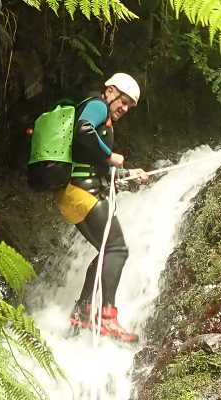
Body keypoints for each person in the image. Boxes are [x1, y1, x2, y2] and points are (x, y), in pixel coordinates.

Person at [55, 73, 149, 342]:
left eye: (130, 105)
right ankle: (107, 316)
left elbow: (98, 168)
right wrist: (110, 156)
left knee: (106, 251)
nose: (125, 108)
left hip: (74, 192)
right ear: (110, 91)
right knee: (117, 248)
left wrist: (129, 174)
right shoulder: (97, 105)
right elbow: (83, 130)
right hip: (81, 192)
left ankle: (84, 310)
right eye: (124, 101)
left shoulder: (103, 115)